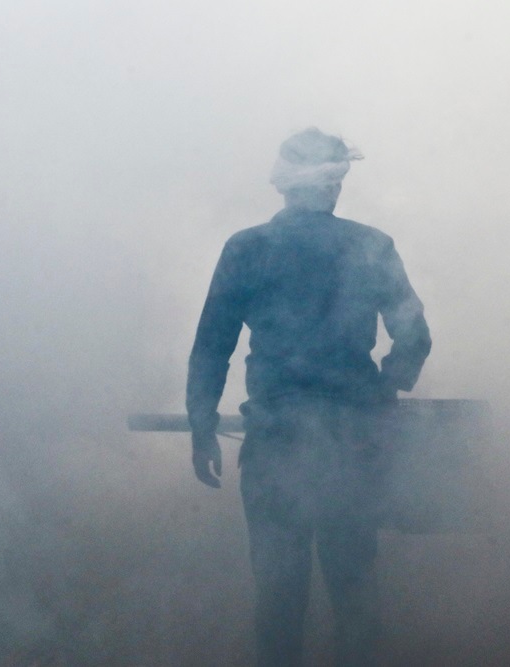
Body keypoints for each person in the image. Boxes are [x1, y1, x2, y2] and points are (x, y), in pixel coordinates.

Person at [186, 127, 431, 667]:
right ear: (335, 185)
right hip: (353, 440)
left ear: (284, 186)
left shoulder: (247, 248)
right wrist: (383, 387)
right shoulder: (370, 245)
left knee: (278, 595)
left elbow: (212, 347)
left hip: (276, 440)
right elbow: (414, 336)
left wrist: (202, 424)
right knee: (353, 588)